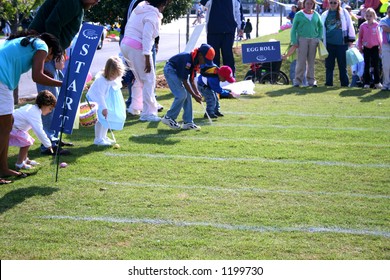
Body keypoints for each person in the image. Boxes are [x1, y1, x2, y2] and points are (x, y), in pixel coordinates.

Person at [28, 0, 101, 153]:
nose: (97, 1)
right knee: (49, 96)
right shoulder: (72, 2)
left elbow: (62, 29)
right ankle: (48, 144)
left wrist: (62, 50)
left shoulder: (78, 5)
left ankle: (53, 138)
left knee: (58, 96)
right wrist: (55, 52)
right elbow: (52, 23)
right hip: (45, 51)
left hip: (52, 50)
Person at [0, 32, 63, 180]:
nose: (48, 59)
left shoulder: (28, 42)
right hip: (2, 81)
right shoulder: (42, 46)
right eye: (51, 58)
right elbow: (37, 76)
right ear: (51, 50)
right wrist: (62, 84)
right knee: (4, 128)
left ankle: (3, 168)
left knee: (6, 127)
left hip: (3, 80)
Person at [120, 0, 169, 122]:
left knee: (139, 78)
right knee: (149, 79)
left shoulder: (141, 7)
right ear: (162, 5)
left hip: (126, 45)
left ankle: (135, 107)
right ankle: (149, 112)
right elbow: (147, 38)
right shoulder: (152, 15)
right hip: (137, 47)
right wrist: (147, 58)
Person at [161, 43, 215, 130]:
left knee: (188, 95)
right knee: (181, 95)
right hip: (170, 70)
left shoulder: (195, 62)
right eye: (205, 60)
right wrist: (195, 96)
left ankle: (188, 122)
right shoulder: (188, 60)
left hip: (177, 72)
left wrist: (197, 93)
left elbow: (192, 80)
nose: (205, 62)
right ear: (200, 55)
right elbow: (185, 81)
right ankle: (169, 117)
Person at [9, 90, 56, 170]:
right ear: (45, 105)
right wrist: (48, 144)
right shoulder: (35, 114)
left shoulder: (31, 108)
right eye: (50, 108)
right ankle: (19, 164)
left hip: (12, 126)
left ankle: (25, 159)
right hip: (11, 128)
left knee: (26, 139)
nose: (50, 111)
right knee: (26, 142)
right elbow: (39, 131)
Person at [86, 56, 126, 146]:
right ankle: (98, 139)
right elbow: (100, 96)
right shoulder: (101, 80)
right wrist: (104, 108)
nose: (114, 78)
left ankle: (103, 137)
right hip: (95, 100)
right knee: (100, 118)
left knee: (106, 118)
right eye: (112, 75)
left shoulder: (110, 79)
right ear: (108, 72)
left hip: (102, 99)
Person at [200, 0, 243, 75]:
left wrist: (241, 27)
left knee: (228, 56)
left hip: (228, 31)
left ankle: (230, 77)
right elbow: (204, 4)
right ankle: (213, 79)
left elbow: (238, 12)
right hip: (213, 31)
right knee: (212, 56)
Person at [321, 0, 356, 87]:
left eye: (335, 3)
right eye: (331, 2)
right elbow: (321, 28)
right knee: (329, 66)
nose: (333, 4)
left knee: (342, 65)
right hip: (329, 44)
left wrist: (351, 40)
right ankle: (328, 83)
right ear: (328, 3)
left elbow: (350, 25)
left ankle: (344, 84)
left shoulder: (344, 13)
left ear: (338, 3)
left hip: (342, 44)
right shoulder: (325, 14)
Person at [290, 0, 323, 87]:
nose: (309, 5)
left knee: (311, 62)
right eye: (307, 3)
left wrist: (319, 38)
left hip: (313, 40)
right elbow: (293, 29)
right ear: (304, 4)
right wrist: (294, 41)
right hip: (302, 40)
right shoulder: (299, 14)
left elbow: (321, 26)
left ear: (313, 5)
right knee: (301, 61)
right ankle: (297, 81)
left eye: (311, 4)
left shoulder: (316, 14)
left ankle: (311, 81)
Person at [357, 8, 382, 89]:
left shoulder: (377, 25)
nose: (368, 17)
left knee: (376, 65)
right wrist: (360, 47)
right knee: (366, 65)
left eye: (370, 16)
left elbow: (380, 37)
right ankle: (366, 82)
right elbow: (360, 38)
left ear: (374, 16)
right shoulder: (363, 26)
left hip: (375, 47)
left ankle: (377, 82)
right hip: (366, 48)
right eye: (367, 15)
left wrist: (380, 47)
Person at [379, 5, 390, 91]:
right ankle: (386, 84)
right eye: (389, 12)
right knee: (386, 66)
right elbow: (385, 29)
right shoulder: (383, 20)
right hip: (386, 45)